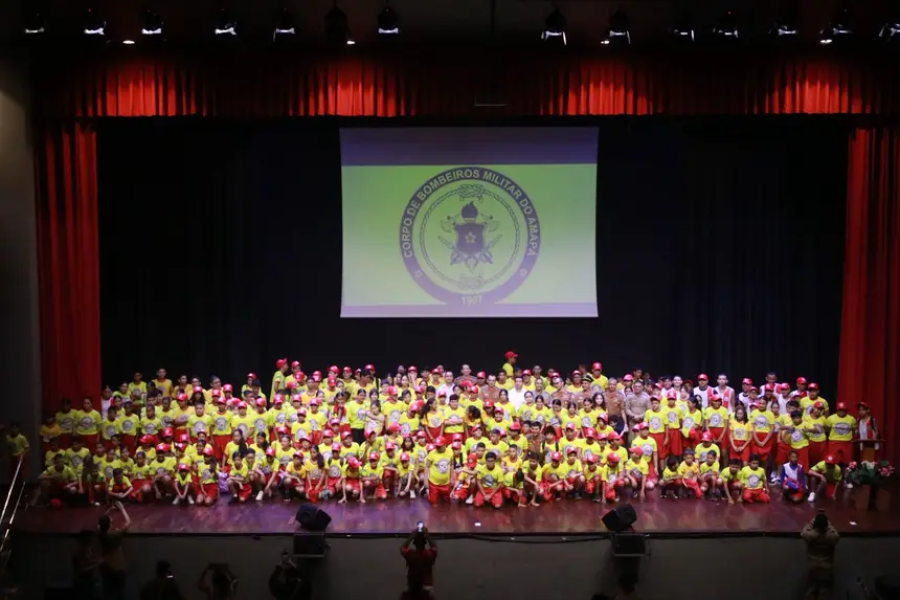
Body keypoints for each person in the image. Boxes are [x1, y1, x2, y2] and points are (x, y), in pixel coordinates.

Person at [800, 511, 840, 600]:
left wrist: (812, 522)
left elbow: (803, 532)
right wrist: (828, 524)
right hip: (827, 568)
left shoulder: (809, 536)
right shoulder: (832, 537)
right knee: (824, 591)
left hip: (812, 567)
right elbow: (835, 534)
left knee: (811, 590)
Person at [97, 501, 131, 600]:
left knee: (107, 590)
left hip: (105, 566)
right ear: (109, 524)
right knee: (119, 591)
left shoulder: (99, 533)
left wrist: (108, 514)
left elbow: (100, 525)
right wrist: (122, 509)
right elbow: (128, 524)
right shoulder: (114, 535)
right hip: (117, 567)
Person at [400, 526, 437, 593]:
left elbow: (402, 548)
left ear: (414, 543)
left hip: (413, 587)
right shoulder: (429, 555)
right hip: (427, 586)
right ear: (425, 542)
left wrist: (412, 535)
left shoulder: (411, 555)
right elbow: (434, 548)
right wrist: (427, 534)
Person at [72, 529, 101, 600]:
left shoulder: (87, 550)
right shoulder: (81, 552)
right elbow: (81, 569)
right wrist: (97, 564)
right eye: (92, 538)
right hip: (83, 583)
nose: (94, 540)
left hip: (89, 582)